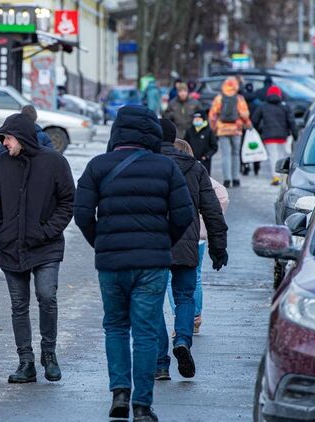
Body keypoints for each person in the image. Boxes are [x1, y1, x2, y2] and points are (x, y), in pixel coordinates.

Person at [74, 105, 194, 422]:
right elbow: (184, 214)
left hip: (112, 263)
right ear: (151, 133)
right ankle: (142, 406)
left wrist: (101, 243)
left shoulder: (98, 166)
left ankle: (119, 393)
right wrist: (162, 242)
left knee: (115, 326)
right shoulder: (166, 167)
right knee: (145, 333)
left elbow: (82, 214)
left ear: (117, 132)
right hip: (152, 264)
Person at [0, 112, 75, 384]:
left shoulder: (54, 161)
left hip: (46, 246)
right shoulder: (2, 162)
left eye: (8, 138)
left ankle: (49, 354)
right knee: (19, 305)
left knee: (47, 296)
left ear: (22, 137)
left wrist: (47, 231)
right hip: (11, 245)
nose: (4, 143)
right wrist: (0, 231)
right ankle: (25, 361)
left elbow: (68, 202)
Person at [154, 120, 228, 382]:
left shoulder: (146, 165)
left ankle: (160, 364)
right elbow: (212, 210)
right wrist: (218, 247)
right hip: (186, 242)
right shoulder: (195, 168)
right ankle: (183, 340)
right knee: (185, 296)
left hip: (153, 244)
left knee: (152, 301)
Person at [170, 140, 230, 335]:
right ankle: (195, 316)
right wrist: (202, 220)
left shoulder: (163, 171)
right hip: (197, 236)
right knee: (194, 277)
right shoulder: (198, 171)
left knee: (171, 278)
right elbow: (220, 198)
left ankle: (180, 319)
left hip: (171, 237)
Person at [208, 77, 252, 188]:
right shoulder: (239, 98)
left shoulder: (219, 98)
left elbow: (212, 115)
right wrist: (247, 123)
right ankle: (235, 178)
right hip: (236, 129)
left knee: (225, 155)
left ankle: (227, 179)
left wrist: (213, 128)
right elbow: (245, 114)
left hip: (222, 129)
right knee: (236, 154)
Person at [251, 85, 298, 186]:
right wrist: (295, 134)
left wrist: (258, 131)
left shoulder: (263, 106)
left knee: (273, 156)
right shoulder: (285, 107)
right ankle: (283, 177)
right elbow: (291, 121)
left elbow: (254, 120)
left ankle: (275, 177)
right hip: (282, 137)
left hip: (268, 137)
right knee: (281, 156)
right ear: (279, 95)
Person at [241, 83, 261, 177]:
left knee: (243, 147)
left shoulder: (241, 102)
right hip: (255, 128)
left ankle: (245, 167)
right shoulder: (257, 102)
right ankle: (256, 167)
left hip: (243, 128)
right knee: (255, 146)